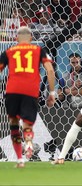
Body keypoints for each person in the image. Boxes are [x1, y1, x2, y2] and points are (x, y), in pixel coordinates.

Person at [0, 26, 55, 168]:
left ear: (16, 38)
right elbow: (50, 70)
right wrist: (52, 93)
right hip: (30, 91)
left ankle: (19, 158)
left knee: (13, 124)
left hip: (12, 91)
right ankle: (29, 143)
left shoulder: (8, 52)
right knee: (27, 124)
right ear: (31, 38)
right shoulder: (38, 51)